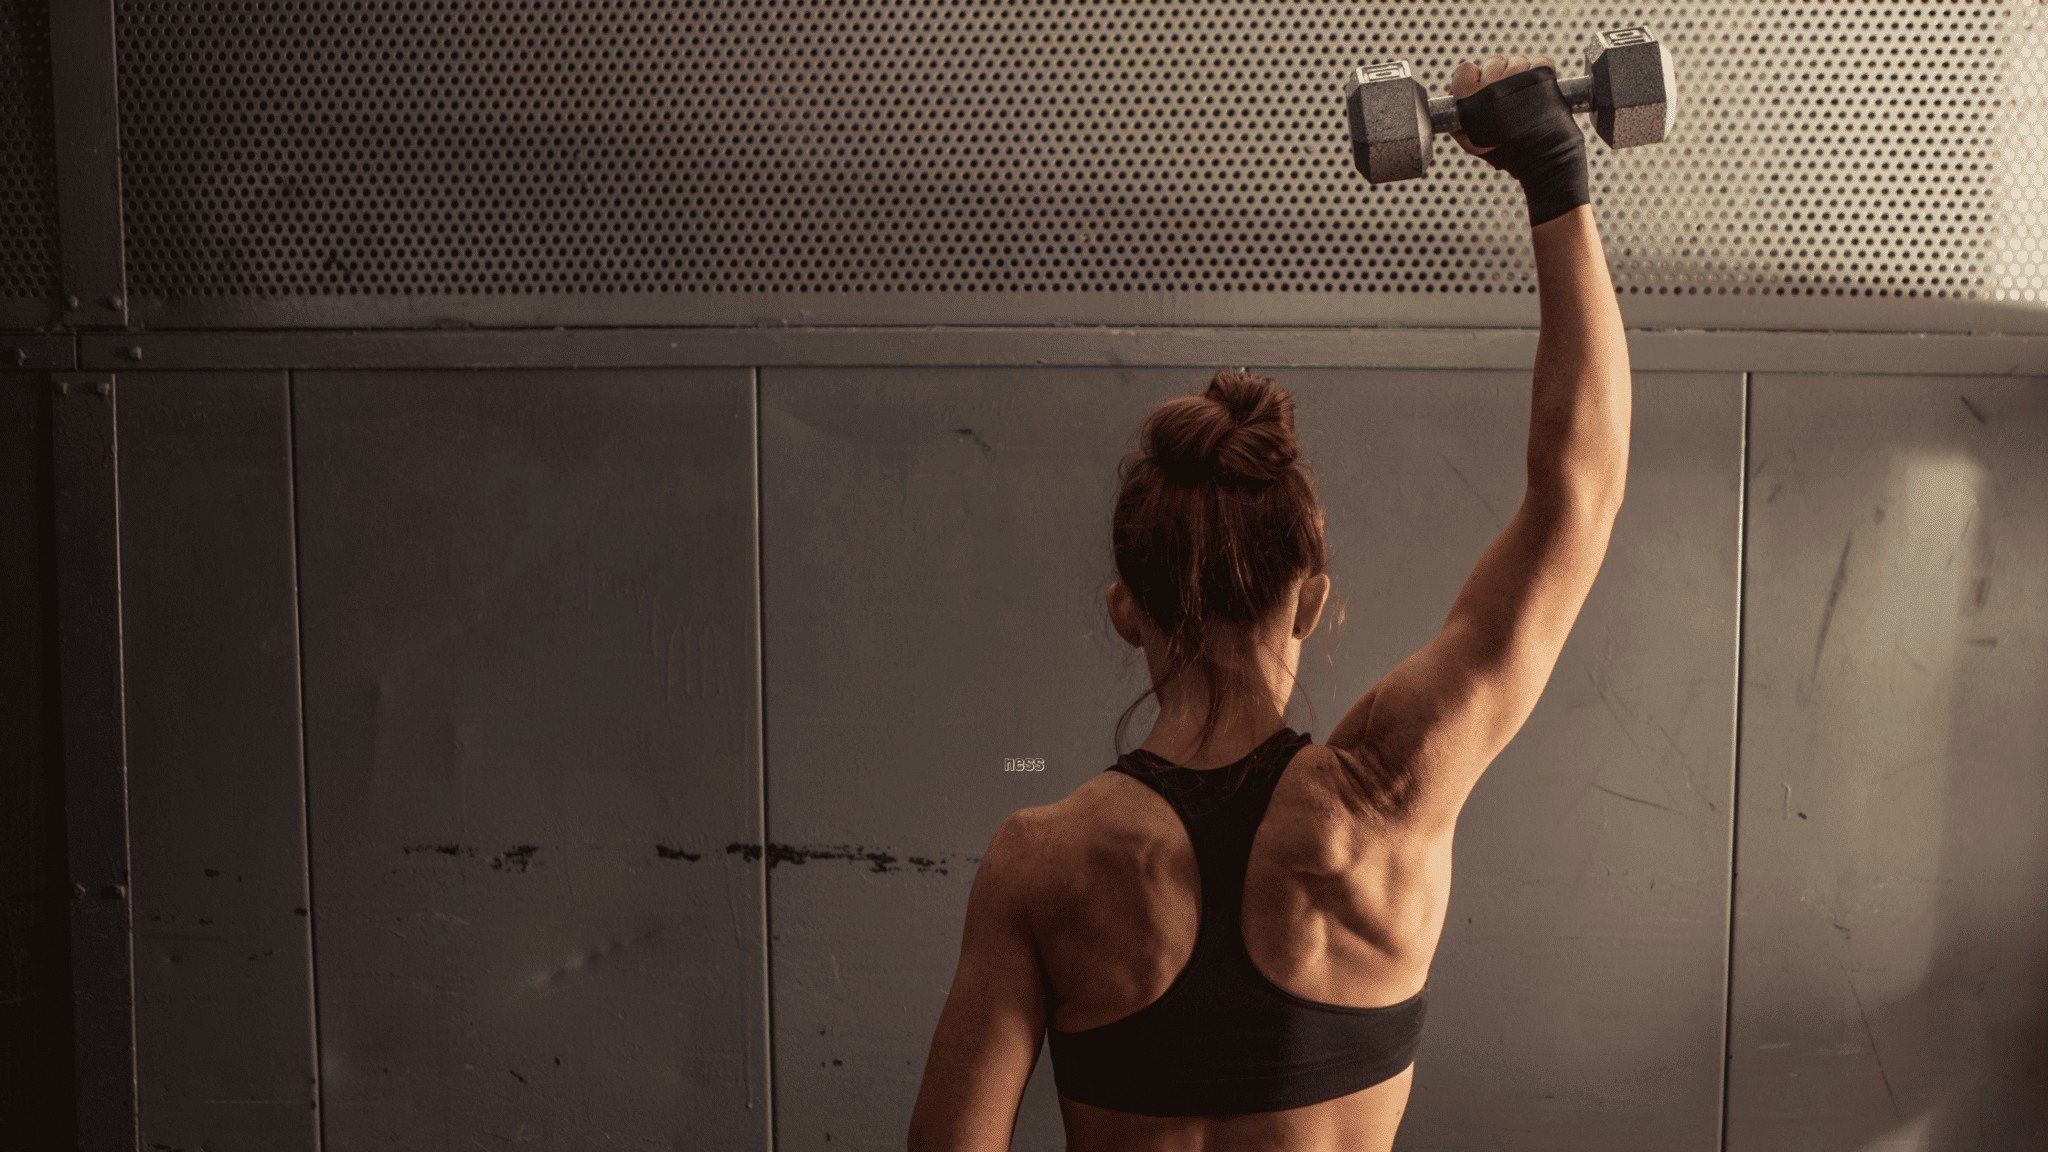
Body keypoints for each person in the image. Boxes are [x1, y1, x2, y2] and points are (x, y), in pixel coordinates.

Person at [907, 51, 1632, 1152]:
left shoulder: (1040, 864)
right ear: (1308, 601)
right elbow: (1574, 501)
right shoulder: (1385, 803)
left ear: (1124, 610)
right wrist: (1549, 169)